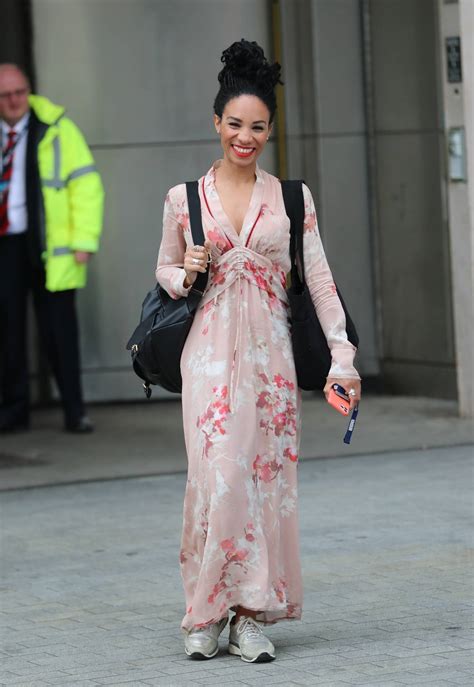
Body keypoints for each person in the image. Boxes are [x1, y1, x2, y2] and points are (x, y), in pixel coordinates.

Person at [156, 40, 361, 663]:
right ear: (216, 124)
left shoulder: (292, 198)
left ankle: (249, 616)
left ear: (270, 130)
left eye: (258, 127)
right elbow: (164, 270)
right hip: (209, 358)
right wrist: (184, 270)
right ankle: (204, 611)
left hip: (272, 360)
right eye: (235, 125)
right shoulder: (183, 198)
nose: (245, 137)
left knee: (264, 482)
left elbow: (319, 280)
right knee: (216, 479)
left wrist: (342, 355)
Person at [0, 64, 104, 433]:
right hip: (5, 244)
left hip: (50, 246)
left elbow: (86, 187)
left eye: (19, 92)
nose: (14, 101)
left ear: (28, 91)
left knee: (59, 331)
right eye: (5, 95)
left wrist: (84, 241)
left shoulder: (58, 130)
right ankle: (14, 411)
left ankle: (74, 411)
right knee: (8, 331)